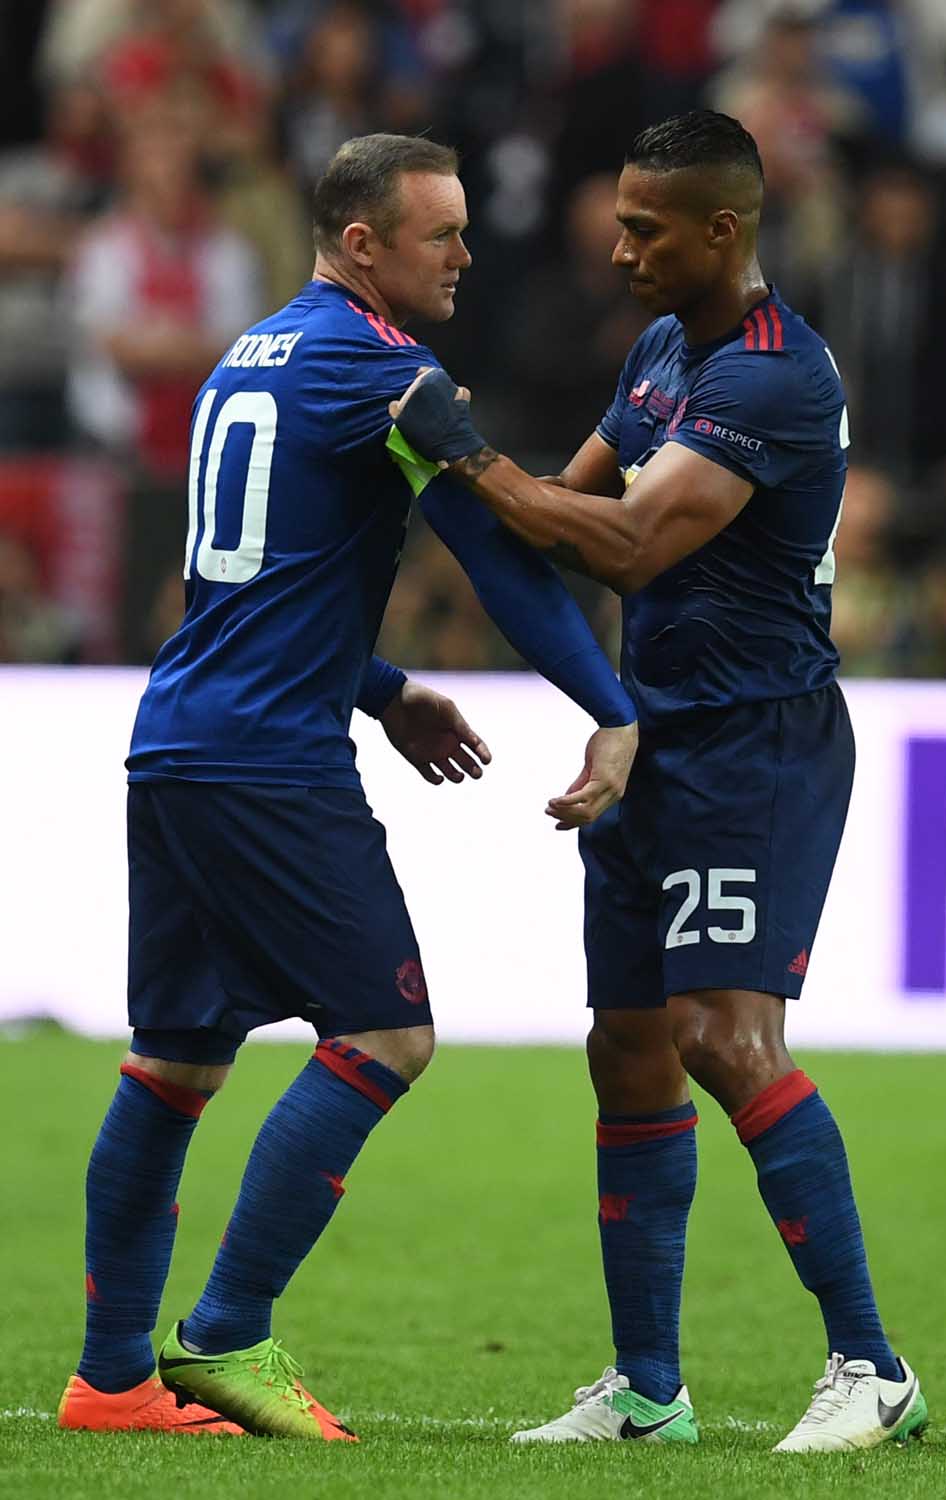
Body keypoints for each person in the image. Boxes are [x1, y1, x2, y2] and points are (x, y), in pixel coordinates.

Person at [58, 132, 638, 1440]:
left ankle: (109, 1380)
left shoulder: (250, 353)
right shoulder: (383, 373)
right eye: (443, 234)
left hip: (181, 739)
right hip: (269, 758)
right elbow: (498, 559)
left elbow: (242, 588)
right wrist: (613, 710)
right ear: (363, 243)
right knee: (385, 1036)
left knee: (174, 1064)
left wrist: (382, 689)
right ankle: (225, 1333)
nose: (467, 254)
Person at [389, 110, 928, 1455]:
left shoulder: (772, 375)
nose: (620, 248)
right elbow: (556, 514)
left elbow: (624, 542)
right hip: (653, 739)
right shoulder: (661, 352)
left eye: (645, 229)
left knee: (723, 1039)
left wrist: (466, 455)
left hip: (755, 746)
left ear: (721, 231)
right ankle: (646, 1392)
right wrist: (442, 482)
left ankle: (872, 1366)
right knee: (627, 1050)